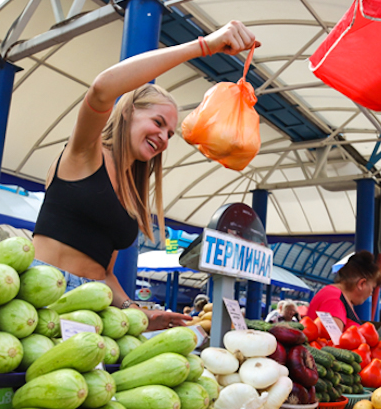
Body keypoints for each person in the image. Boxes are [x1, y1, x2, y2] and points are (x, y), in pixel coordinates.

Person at [31, 21, 257, 331]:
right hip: (38, 292)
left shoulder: (131, 193)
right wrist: (203, 47)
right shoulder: (85, 153)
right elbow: (101, 89)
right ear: (128, 111)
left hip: (90, 310)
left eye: (169, 133)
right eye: (158, 122)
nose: (164, 137)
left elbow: (104, 273)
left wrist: (136, 311)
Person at [306, 251, 381, 331]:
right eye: (372, 288)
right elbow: (331, 341)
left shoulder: (338, 296)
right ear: (361, 284)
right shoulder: (334, 300)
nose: (371, 293)